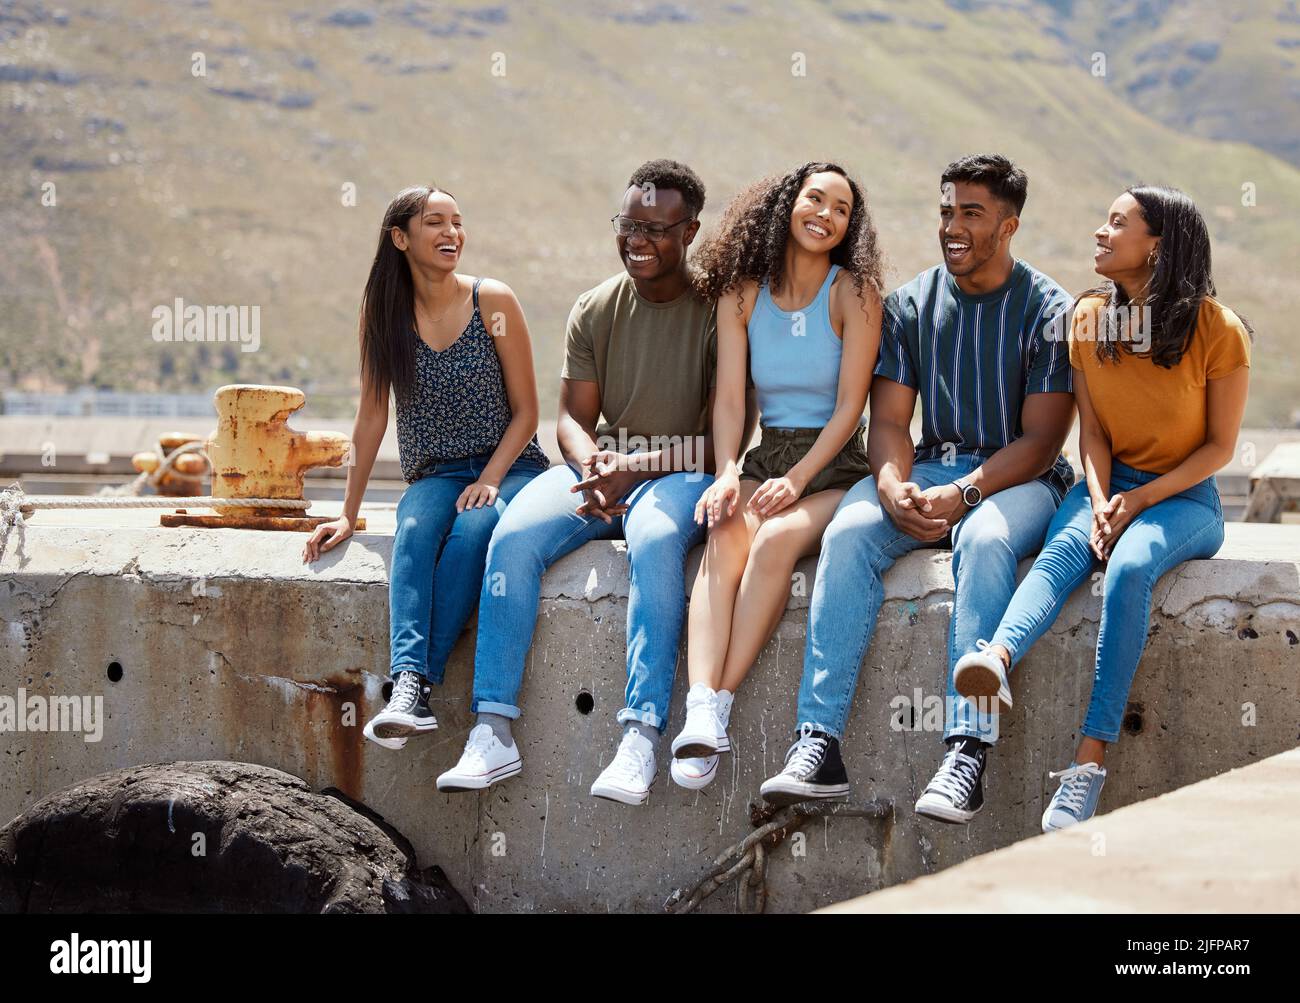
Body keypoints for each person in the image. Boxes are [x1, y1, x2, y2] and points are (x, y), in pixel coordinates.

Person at [758, 153, 1077, 809]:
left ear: (1009, 225)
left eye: (970, 214)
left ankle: (966, 750)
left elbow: (1043, 441)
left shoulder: (1049, 309)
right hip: (932, 465)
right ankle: (818, 744)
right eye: (945, 211)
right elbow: (891, 422)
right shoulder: (908, 305)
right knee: (848, 532)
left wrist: (966, 493)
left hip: (1021, 478)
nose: (951, 226)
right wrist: (893, 484)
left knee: (985, 540)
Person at [436, 159, 757, 803]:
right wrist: (592, 465)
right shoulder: (594, 306)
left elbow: (731, 439)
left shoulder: (719, 312)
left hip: (681, 473)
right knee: (514, 536)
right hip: (603, 468)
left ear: (689, 231)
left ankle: (640, 734)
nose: (637, 240)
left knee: (656, 541)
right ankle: (493, 729)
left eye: (655, 229)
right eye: (628, 225)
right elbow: (570, 418)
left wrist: (631, 467)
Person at [941, 185, 1251, 831]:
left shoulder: (1218, 330)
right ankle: (994, 659)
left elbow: (1219, 447)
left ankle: (1087, 764)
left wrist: (1137, 502)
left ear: (1158, 245)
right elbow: (1094, 433)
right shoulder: (1087, 318)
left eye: (1117, 223)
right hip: (1107, 483)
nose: (1099, 233)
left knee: (1131, 567)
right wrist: (1104, 497)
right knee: (1062, 552)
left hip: (1183, 496)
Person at [303, 186, 549, 752]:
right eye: (435, 222)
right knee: (413, 531)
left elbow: (529, 412)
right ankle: (409, 682)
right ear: (400, 237)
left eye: (458, 223)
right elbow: (371, 416)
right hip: (434, 474)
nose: (451, 234)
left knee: (473, 533)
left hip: (508, 467)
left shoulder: (495, 302)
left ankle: (413, 687)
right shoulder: (382, 313)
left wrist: (489, 478)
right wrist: (348, 514)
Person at [668, 162, 884, 790]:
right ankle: (700, 710)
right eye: (816, 199)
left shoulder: (855, 292)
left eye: (842, 209)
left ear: (849, 227)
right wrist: (727, 471)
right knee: (725, 526)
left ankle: (722, 700)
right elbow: (732, 400)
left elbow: (852, 409)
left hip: (836, 465)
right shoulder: (742, 292)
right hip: (767, 455)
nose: (826, 215)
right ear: (788, 204)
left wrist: (800, 478)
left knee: (774, 541)